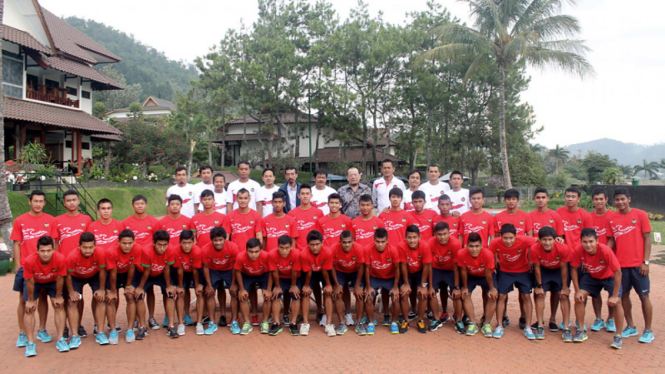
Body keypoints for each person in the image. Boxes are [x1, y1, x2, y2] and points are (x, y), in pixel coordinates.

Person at [11, 190, 58, 349]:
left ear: (44, 203)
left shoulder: (50, 220)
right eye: (35, 201)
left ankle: (42, 329)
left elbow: (54, 244)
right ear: (29, 202)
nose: (38, 204)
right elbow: (16, 244)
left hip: (45, 267)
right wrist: (18, 266)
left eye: (41, 201)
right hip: (26, 266)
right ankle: (23, 332)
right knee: (24, 300)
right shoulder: (20, 220)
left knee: (43, 297)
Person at [607, 188, 654, 343]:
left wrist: (645, 262)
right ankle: (631, 327)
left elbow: (647, 239)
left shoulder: (640, 215)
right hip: (621, 266)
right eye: (617, 200)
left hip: (638, 266)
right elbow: (611, 240)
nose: (620, 202)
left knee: (644, 297)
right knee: (624, 296)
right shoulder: (612, 218)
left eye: (622, 199)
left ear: (629, 199)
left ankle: (648, 330)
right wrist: (606, 255)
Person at [570, 228, 625, 349]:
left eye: (591, 241)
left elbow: (618, 272)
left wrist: (615, 296)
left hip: (609, 276)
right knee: (579, 298)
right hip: (592, 276)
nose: (588, 245)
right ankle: (581, 330)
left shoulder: (605, 250)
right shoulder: (578, 250)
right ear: (581, 242)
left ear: (597, 241)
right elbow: (573, 268)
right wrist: (577, 290)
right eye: (585, 242)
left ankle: (618, 336)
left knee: (617, 303)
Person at [22, 235, 68, 356]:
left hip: (52, 281)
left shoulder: (60, 259)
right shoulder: (29, 261)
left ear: (53, 250)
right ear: (37, 251)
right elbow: (30, 281)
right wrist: (31, 300)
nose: (46, 254)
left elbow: (60, 279)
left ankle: (60, 339)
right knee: (29, 309)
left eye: (48, 250)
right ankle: (30, 343)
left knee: (58, 305)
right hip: (35, 282)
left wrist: (58, 296)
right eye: (42, 251)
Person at [494, 189, 533, 330]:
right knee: (502, 293)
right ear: (505, 200)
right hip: (504, 263)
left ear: (518, 200)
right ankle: (503, 317)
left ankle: (523, 318)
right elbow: (495, 239)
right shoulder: (498, 217)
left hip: (522, 262)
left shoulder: (526, 216)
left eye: (514, 199)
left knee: (524, 294)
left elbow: (531, 238)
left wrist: (530, 258)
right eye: (508, 199)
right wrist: (496, 258)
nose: (511, 201)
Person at [490, 224, 537, 339]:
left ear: (516, 236)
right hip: (505, 272)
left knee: (526, 296)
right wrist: (495, 259)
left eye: (511, 238)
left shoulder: (524, 239)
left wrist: (531, 258)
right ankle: (500, 326)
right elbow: (489, 254)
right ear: (500, 236)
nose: (508, 241)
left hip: (523, 271)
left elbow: (538, 240)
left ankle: (527, 327)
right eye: (505, 238)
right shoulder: (495, 243)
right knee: (501, 297)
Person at [152, 194, 191, 329]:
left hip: (182, 262)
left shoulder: (188, 221)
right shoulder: (161, 223)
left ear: (181, 206)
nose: (174, 206)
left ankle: (186, 314)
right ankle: (168, 315)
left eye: (177, 204)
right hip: (166, 262)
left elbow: (191, 241)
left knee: (183, 289)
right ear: (168, 206)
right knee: (166, 290)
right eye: (172, 204)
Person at [227, 188, 264, 326]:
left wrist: (257, 253)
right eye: (240, 198)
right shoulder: (230, 216)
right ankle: (235, 316)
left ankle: (254, 314)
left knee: (252, 288)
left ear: (249, 199)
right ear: (236, 199)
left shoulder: (256, 216)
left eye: (245, 198)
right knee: (235, 289)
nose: (242, 201)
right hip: (237, 259)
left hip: (251, 257)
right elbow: (227, 238)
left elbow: (259, 236)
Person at [65, 232, 109, 345]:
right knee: (72, 301)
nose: (88, 250)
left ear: (95, 246)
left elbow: (103, 271)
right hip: (76, 276)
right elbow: (67, 275)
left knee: (100, 298)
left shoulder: (100, 253)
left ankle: (100, 332)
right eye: (84, 247)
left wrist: (101, 289)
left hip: (94, 275)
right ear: (79, 246)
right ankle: (75, 335)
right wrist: (71, 292)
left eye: (90, 247)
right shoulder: (72, 257)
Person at [530, 226, 572, 341]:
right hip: (544, 270)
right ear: (539, 240)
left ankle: (566, 328)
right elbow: (537, 268)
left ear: (555, 239)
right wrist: (539, 286)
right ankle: (540, 325)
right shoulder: (534, 248)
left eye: (550, 239)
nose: (547, 242)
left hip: (558, 270)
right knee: (539, 294)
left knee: (563, 295)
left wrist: (564, 287)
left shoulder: (563, 248)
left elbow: (564, 269)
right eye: (544, 240)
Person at [134, 230, 178, 339]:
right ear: (154, 243)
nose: (162, 248)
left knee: (170, 294)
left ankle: (171, 326)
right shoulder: (146, 250)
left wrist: (168, 286)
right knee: (139, 295)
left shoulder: (171, 250)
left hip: (161, 273)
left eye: (165, 245)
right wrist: (140, 288)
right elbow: (147, 271)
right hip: (145, 274)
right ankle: (142, 327)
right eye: (159, 245)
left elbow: (167, 269)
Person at [105, 229, 145, 343]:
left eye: (130, 243)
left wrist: (128, 286)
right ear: (118, 242)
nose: (127, 246)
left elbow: (132, 267)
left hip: (128, 272)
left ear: (134, 242)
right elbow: (112, 272)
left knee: (130, 296)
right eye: (124, 243)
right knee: (111, 299)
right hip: (114, 274)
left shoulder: (137, 249)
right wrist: (113, 291)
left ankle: (130, 329)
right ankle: (112, 330)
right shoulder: (111, 251)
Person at [200, 227, 240, 335]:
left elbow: (235, 266)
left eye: (220, 240)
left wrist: (233, 283)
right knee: (209, 294)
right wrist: (208, 285)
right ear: (211, 240)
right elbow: (205, 267)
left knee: (234, 293)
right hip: (214, 271)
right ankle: (212, 322)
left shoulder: (233, 247)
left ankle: (234, 321)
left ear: (225, 239)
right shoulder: (205, 249)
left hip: (228, 270)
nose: (218, 243)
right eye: (215, 240)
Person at [458, 232, 498, 337]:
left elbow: (488, 273)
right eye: (471, 246)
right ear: (466, 246)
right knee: (465, 295)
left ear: (481, 246)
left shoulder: (488, 254)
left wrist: (492, 288)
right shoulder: (461, 253)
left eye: (477, 246)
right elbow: (463, 271)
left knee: (492, 296)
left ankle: (486, 324)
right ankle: (473, 323)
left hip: (486, 275)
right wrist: (465, 287)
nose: (474, 249)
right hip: (471, 275)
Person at [364, 228, 402, 335]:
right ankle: (371, 322)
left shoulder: (393, 250)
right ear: (374, 240)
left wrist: (395, 287)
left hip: (389, 277)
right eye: (378, 242)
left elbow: (398, 269)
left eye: (383, 242)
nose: (380, 244)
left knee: (395, 297)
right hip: (374, 277)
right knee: (369, 296)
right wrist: (368, 287)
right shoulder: (368, 249)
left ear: (387, 241)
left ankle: (393, 322)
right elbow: (366, 269)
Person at [588, 188, 616, 332]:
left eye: (601, 199)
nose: (599, 202)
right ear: (592, 200)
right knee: (595, 292)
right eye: (596, 199)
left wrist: (605, 255)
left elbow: (611, 238)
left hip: (608, 260)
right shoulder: (589, 217)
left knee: (612, 292)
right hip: (592, 261)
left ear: (606, 200)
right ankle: (598, 318)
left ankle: (610, 319)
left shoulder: (613, 216)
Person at [427, 221, 463, 331]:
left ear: (449, 233)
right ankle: (437, 318)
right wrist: (430, 285)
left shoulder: (456, 243)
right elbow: (429, 264)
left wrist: (456, 287)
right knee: (432, 292)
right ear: (435, 234)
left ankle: (458, 320)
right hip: (437, 269)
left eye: (445, 234)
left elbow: (457, 266)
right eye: (439, 234)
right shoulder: (430, 242)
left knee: (457, 294)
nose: (442, 237)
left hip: (451, 270)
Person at [299, 230, 336, 337]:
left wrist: (328, 285)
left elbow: (325, 271)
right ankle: (305, 323)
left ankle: (329, 324)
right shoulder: (304, 253)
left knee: (328, 293)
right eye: (312, 245)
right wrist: (306, 286)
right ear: (307, 244)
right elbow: (308, 272)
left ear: (322, 243)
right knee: (305, 293)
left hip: (323, 272)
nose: (315, 247)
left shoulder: (328, 252)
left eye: (317, 244)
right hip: (309, 273)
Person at [398, 225, 433, 334]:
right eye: (409, 237)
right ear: (405, 238)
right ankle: (406, 320)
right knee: (404, 293)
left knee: (422, 294)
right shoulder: (401, 246)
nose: (412, 240)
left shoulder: (425, 246)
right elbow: (403, 265)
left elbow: (427, 266)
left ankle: (420, 319)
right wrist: (406, 283)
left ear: (419, 237)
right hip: (407, 272)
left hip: (420, 272)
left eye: (414, 237)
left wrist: (423, 286)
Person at [233, 238, 272, 335]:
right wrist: (241, 289)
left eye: (256, 252)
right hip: (247, 275)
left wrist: (268, 289)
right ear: (246, 250)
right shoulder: (240, 257)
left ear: (261, 250)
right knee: (242, 297)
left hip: (264, 274)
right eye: (251, 252)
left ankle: (265, 322)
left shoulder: (266, 256)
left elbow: (272, 272)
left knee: (267, 296)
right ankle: (247, 322)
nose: (254, 254)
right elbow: (237, 272)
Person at [330, 230, 366, 335]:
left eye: (349, 242)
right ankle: (342, 322)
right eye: (344, 242)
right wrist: (336, 285)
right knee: (337, 294)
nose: (347, 245)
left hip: (355, 272)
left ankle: (359, 323)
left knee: (359, 294)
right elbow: (331, 266)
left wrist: (357, 285)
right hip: (340, 272)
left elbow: (362, 267)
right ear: (339, 242)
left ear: (353, 241)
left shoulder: (359, 248)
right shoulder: (333, 249)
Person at [268, 235, 302, 336]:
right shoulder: (272, 254)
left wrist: (293, 285)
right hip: (280, 277)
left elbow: (295, 271)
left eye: (287, 248)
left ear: (291, 247)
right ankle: (276, 322)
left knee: (296, 296)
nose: (284, 251)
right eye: (281, 248)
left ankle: (293, 323)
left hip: (294, 278)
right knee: (276, 296)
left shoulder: (296, 254)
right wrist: (277, 287)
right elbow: (274, 271)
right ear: (277, 246)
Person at [172, 230, 203, 336]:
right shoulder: (175, 251)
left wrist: (198, 285)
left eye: (189, 243)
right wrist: (180, 286)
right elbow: (179, 270)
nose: (186, 246)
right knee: (181, 293)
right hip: (183, 272)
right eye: (184, 243)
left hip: (196, 271)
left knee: (199, 293)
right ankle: (181, 323)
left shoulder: (197, 251)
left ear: (193, 242)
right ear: (179, 242)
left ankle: (199, 323)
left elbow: (195, 270)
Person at [556, 186, 592, 256]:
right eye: (568, 196)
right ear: (564, 198)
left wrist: (586, 256)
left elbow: (588, 237)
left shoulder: (586, 215)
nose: (570, 199)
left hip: (579, 254)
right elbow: (559, 235)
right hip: (563, 253)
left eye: (573, 197)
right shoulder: (558, 212)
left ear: (579, 199)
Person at [55, 190, 92, 258]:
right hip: (64, 258)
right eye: (68, 201)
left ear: (78, 201)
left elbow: (90, 241)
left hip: (81, 259)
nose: (71, 202)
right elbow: (55, 243)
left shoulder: (87, 219)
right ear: (64, 203)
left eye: (74, 200)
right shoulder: (57, 220)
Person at [288, 184, 324, 250]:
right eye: (303, 194)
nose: (305, 196)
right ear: (298, 196)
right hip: (299, 250)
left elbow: (321, 234)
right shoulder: (291, 214)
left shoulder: (319, 212)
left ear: (311, 196)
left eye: (307, 194)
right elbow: (292, 236)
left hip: (314, 249)